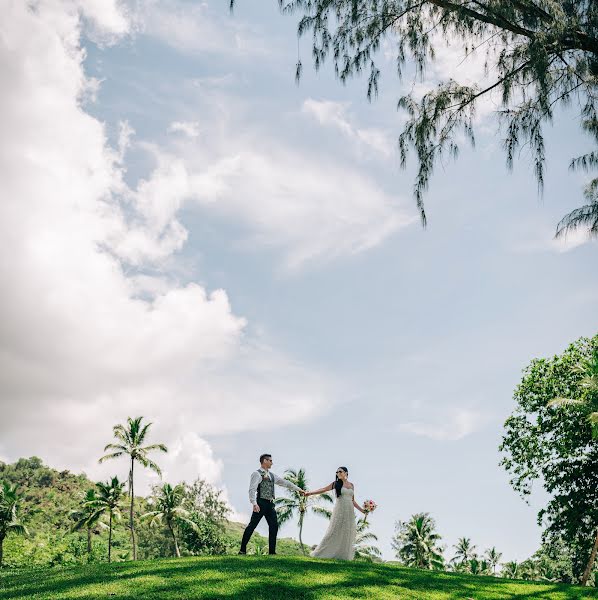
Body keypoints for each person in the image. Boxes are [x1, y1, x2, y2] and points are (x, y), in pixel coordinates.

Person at [239, 453, 305, 555]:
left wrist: (298, 489)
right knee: (252, 526)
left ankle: (272, 552)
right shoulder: (256, 474)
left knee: (274, 526)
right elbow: (252, 489)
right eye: (270, 461)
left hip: (270, 504)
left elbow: (285, 482)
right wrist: (254, 503)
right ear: (264, 461)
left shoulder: (271, 475)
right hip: (260, 503)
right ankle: (242, 550)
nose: (272, 463)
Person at [305, 466, 366, 560]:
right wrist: (310, 493)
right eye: (337, 472)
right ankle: (322, 552)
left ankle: (343, 555)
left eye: (340, 471)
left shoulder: (352, 485)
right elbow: (324, 489)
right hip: (340, 510)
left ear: (346, 473)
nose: (338, 473)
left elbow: (352, 500)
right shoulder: (336, 484)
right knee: (334, 531)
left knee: (347, 532)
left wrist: (362, 510)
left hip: (349, 511)